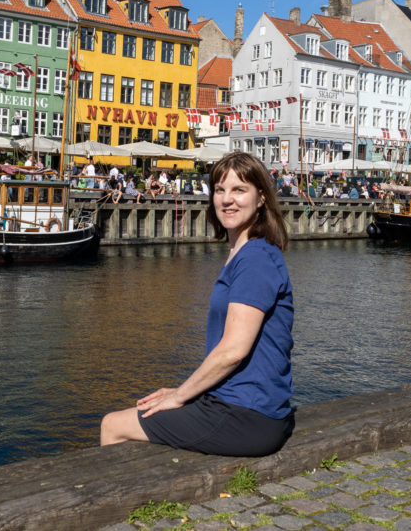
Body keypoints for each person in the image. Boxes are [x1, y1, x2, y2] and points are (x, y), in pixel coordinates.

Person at [100, 151, 294, 457]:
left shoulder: (255, 259)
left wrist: (180, 396)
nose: (227, 200)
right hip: (245, 407)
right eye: (220, 190)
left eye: (239, 190)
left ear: (261, 199)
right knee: (142, 413)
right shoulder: (245, 253)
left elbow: (233, 351)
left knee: (113, 425)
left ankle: (122, 504)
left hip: (247, 415)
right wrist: (184, 391)